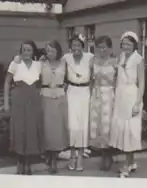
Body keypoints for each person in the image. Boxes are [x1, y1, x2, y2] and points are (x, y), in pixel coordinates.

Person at [109, 31, 145, 178]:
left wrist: (138, 102)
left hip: (132, 96)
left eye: (129, 44)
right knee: (123, 130)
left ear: (134, 45)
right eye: (124, 44)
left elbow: (142, 82)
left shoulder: (138, 59)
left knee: (130, 131)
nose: (126, 46)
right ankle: (131, 162)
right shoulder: (121, 56)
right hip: (120, 96)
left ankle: (126, 165)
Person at [4, 40, 44, 175]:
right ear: (20, 51)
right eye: (24, 50)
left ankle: (28, 162)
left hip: (33, 99)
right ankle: (19, 160)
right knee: (20, 129)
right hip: (19, 99)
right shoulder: (15, 64)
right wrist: (6, 103)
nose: (26, 52)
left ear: (33, 52)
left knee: (31, 130)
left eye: (29, 50)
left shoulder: (38, 65)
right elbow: (7, 83)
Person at [63, 34, 94, 172]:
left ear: (83, 46)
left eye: (79, 45)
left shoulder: (90, 57)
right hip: (71, 91)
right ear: (70, 47)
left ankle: (80, 156)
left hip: (85, 92)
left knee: (82, 125)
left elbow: (96, 73)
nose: (76, 48)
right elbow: (52, 63)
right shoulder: (66, 58)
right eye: (73, 45)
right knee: (72, 124)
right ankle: (72, 156)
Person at [89, 36, 117, 171]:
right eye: (99, 47)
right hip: (96, 94)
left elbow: (118, 81)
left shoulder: (114, 62)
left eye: (105, 47)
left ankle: (109, 154)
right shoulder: (93, 61)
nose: (102, 50)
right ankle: (102, 154)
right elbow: (90, 80)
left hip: (109, 95)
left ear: (110, 48)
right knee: (98, 125)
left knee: (108, 125)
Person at [40, 40, 69, 174]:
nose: (49, 53)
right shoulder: (41, 63)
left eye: (52, 50)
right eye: (47, 50)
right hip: (45, 96)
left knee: (57, 129)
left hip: (59, 96)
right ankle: (48, 154)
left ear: (58, 51)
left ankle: (54, 159)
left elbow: (70, 79)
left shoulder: (64, 63)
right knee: (47, 128)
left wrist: (63, 89)